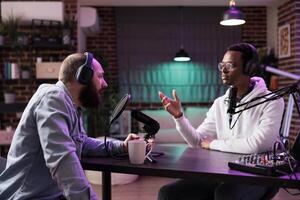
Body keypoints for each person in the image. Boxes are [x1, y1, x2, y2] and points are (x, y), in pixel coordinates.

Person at [0, 52, 140, 200]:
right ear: (82, 76)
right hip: (26, 197)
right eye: (99, 76)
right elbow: (62, 159)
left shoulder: (71, 105)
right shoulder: (53, 98)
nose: (104, 83)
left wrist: (121, 146)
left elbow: (82, 143)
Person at [158, 43, 284, 200]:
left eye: (230, 65)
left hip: (258, 176)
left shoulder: (272, 101)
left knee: (225, 195)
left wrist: (213, 144)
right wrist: (179, 117)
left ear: (249, 68)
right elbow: (198, 141)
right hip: (223, 171)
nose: (223, 70)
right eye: (222, 65)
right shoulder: (220, 103)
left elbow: (258, 144)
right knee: (168, 193)